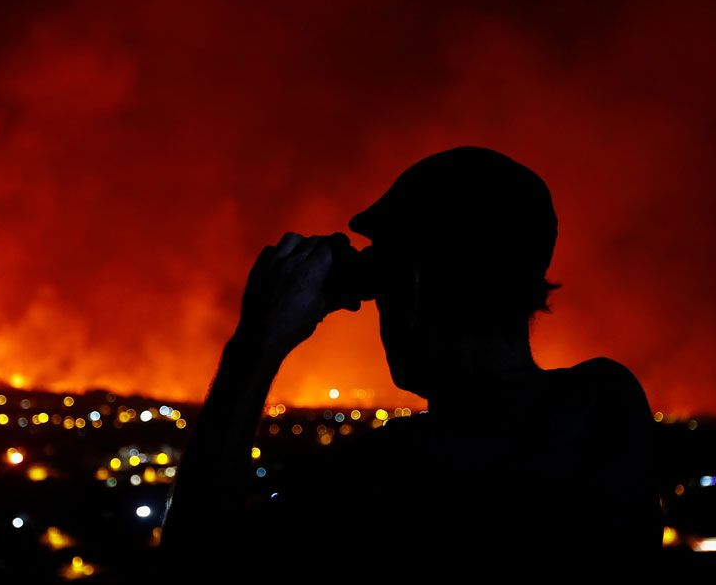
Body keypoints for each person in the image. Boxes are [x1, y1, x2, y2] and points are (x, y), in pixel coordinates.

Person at [159, 146, 662, 580]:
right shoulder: (606, 404)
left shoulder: (369, 485)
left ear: (415, 289)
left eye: (384, 289)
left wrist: (256, 344)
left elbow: (196, 569)